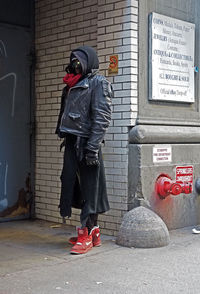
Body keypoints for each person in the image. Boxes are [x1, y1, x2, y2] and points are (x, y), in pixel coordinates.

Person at [55, 46, 113, 254]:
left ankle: (86, 235)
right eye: (73, 60)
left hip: (87, 144)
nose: (74, 63)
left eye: (78, 60)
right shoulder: (74, 82)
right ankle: (94, 231)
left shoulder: (98, 83)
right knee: (72, 184)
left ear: (90, 61)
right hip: (72, 141)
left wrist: (92, 148)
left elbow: (102, 118)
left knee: (90, 189)